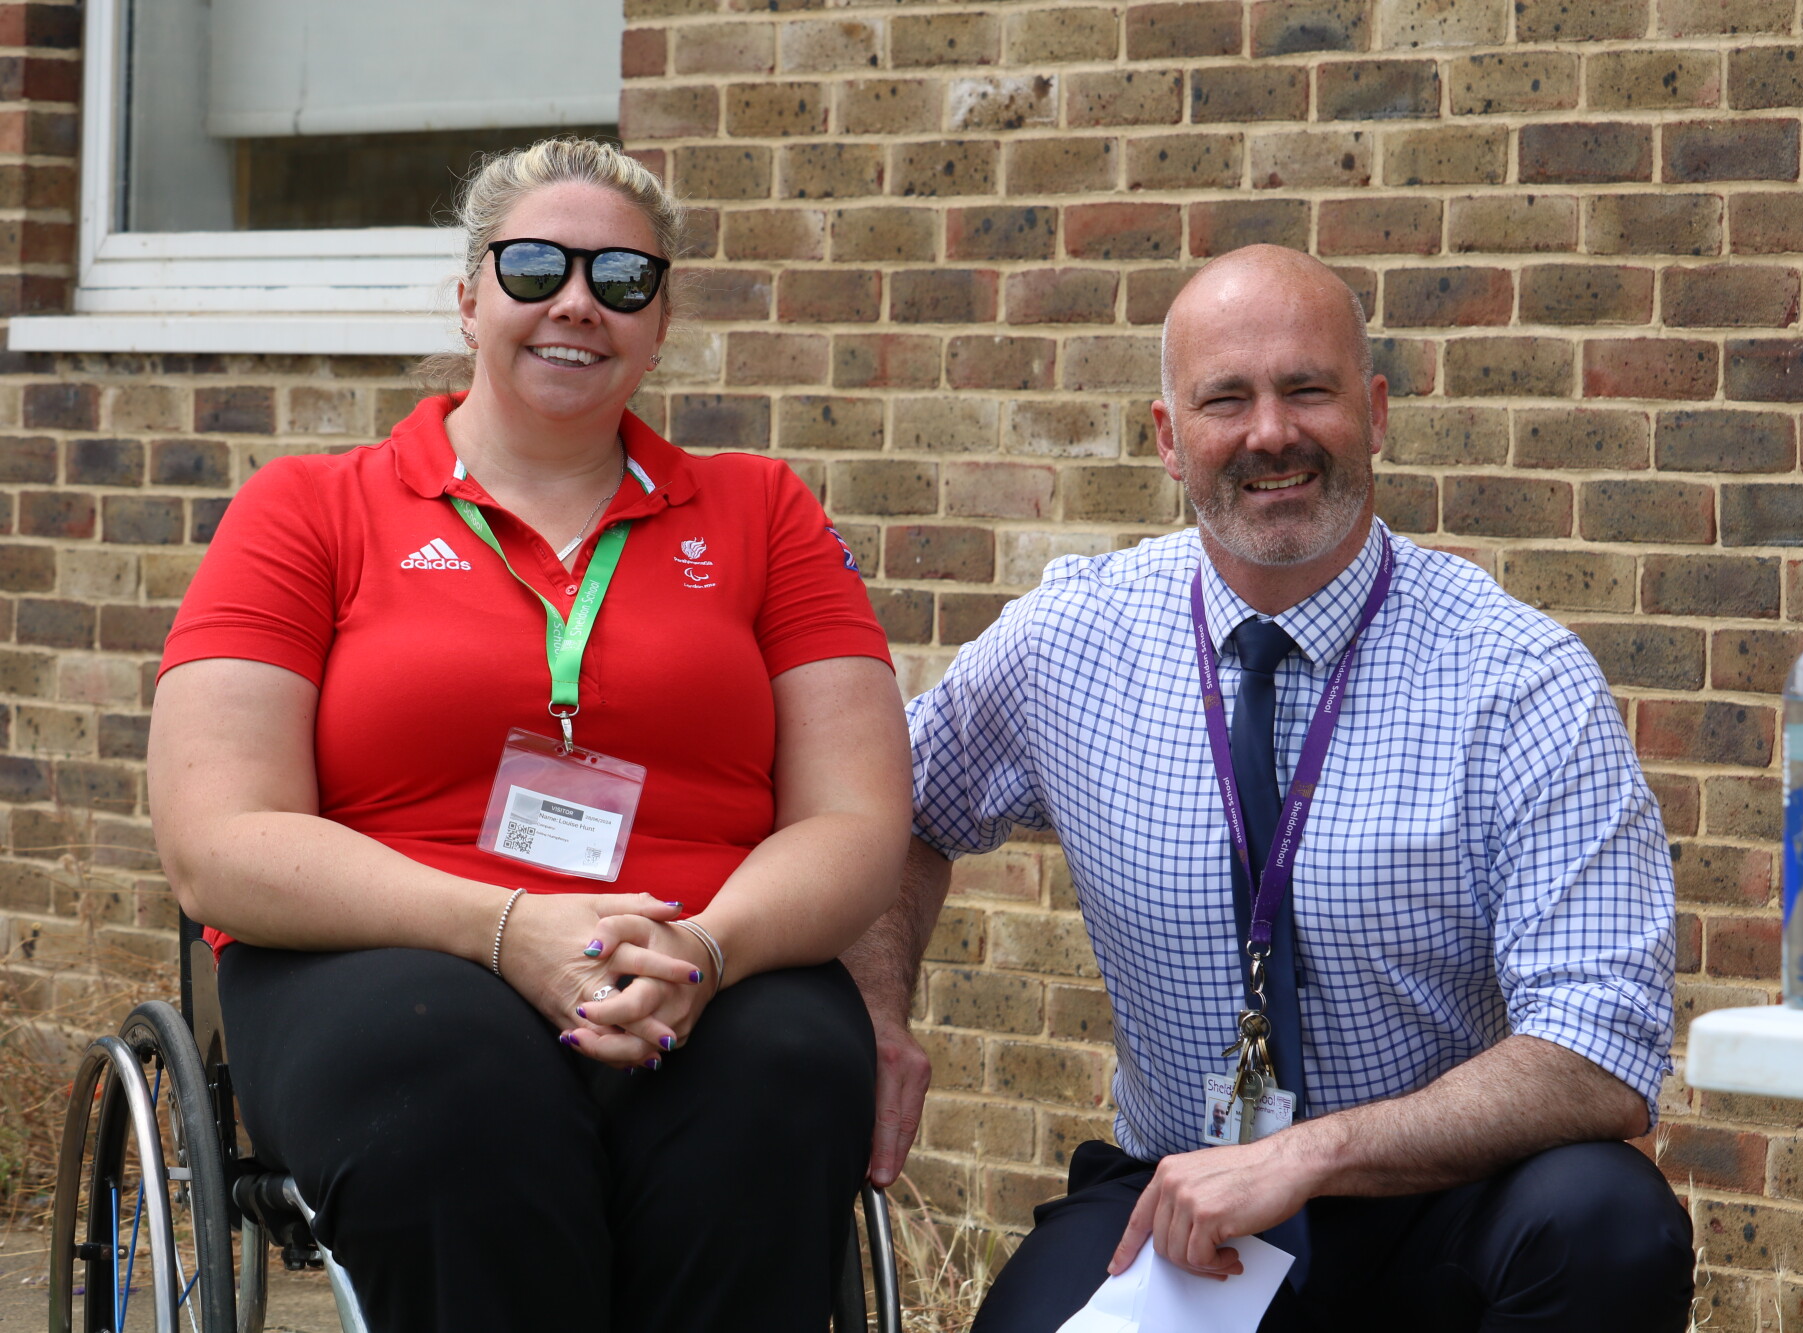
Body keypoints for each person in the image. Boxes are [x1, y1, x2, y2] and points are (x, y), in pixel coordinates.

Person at [844, 244, 1693, 1332]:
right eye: (1225, 400)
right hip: (1180, 1198)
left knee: (1609, 1221)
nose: (1270, 433)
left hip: (1441, 1202)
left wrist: (1309, 1153)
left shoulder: (1517, 677)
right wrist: (877, 1009)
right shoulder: (1071, 640)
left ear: (1374, 413)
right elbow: (893, 807)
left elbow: (1598, 1050)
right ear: (1167, 438)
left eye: (1306, 389)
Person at [148, 138, 911, 1333]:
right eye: (535, 267)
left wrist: (705, 950)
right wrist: (502, 928)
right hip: (382, 952)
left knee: (783, 1077)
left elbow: (857, 819)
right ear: (468, 298)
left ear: (659, 323)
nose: (576, 303)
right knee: (449, 1078)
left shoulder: (765, 513)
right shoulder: (308, 510)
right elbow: (217, 841)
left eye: (622, 279)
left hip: (703, 951)